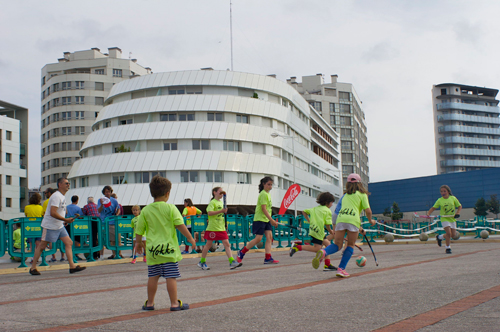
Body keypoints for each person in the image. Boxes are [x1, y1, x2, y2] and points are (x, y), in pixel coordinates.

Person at [134, 175, 196, 311]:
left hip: (153, 251)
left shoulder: (145, 210)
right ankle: (174, 303)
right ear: (167, 193)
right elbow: (180, 225)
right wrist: (191, 239)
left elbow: (139, 230)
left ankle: (150, 303)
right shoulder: (171, 208)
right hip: (169, 250)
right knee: (171, 276)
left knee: (152, 277)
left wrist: (138, 243)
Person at [312, 173, 375, 278]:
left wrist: (334, 227)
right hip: (353, 220)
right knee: (350, 245)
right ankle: (341, 269)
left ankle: (324, 251)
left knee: (337, 245)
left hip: (341, 219)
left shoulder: (344, 196)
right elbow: (368, 211)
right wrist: (370, 221)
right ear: (360, 184)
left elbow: (336, 212)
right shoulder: (362, 195)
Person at [29, 177, 86, 275]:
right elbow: (52, 213)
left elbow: (59, 212)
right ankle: (33, 268)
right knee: (42, 246)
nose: (68, 185)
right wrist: (65, 219)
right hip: (50, 225)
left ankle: (72, 266)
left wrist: (64, 221)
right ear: (60, 184)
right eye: (66, 183)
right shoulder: (56, 196)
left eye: (68, 183)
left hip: (59, 225)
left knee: (69, 242)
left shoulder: (62, 196)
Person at [289, 192, 337, 271]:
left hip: (315, 230)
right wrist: (331, 231)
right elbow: (328, 224)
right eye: (331, 202)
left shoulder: (315, 209)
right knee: (317, 249)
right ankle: (297, 247)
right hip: (318, 232)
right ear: (327, 202)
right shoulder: (327, 211)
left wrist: (309, 220)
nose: (332, 205)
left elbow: (304, 211)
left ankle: (327, 265)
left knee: (328, 245)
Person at [197, 188, 242, 270]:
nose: (221, 193)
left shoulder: (221, 203)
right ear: (215, 192)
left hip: (221, 228)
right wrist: (221, 211)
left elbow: (222, 215)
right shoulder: (212, 202)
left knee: (227, 244)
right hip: (213, 228)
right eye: (219, 191)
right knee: (208, 245)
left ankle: (231, 261)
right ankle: (202, 262)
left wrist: (225, 224)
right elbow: (209, 213)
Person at [237, 177, 279, 264]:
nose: (270, 186)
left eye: (271, 185)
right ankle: (242, 252)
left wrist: (270, 220)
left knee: (269, 237)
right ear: (263, 184)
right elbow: (264, 209)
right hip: (260, 219)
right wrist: (271, 220)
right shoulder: (263, 194)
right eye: (268, 184)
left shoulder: (267, 194)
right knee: (258, 239)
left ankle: (268, 257)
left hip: (266, 219)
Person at [427, 185, 462, 254]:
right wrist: (429, 213)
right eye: (441, 191)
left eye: (444, 191)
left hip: (452, 218)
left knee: (453, 235)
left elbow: (459, 206)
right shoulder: (440, 200)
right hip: (444, 218)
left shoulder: (453, 198)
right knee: (448, 233)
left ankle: (440, 237)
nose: (443, 193)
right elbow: (433, 208)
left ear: (448, 192)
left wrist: (458, 212)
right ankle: (448, 248)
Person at [97, 186, 120, 259]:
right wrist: (102, 204)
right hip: (103, 222)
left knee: (113, 240)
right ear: (104, 193)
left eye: (109, 192)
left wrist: (116, 214)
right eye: (106, 192)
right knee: (101, 239)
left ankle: (114, 254)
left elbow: (118, 208)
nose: (107, 193)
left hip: (112, 222)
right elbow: (99, 211)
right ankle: (101, 256)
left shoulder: (114, 200)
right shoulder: (100, 200)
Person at [42, 188, 58, 262]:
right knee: (66, 242)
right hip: (58, 222)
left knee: (46, 241)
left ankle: (53, 256)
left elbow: (44, 213)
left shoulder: (46, 202)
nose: (45, 194)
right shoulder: (58, 199)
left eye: (45, 193)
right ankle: (64, 256)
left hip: (49, 223)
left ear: (49, 193)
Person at [65, 195, 84, 261]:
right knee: (76, 240)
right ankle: (75, 254)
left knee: (68, 240)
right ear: (77, 200)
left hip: (68, 225)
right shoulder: (78, 208)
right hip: (76, 226)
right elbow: (81, 217)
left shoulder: (67, 207)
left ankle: (69, 255)